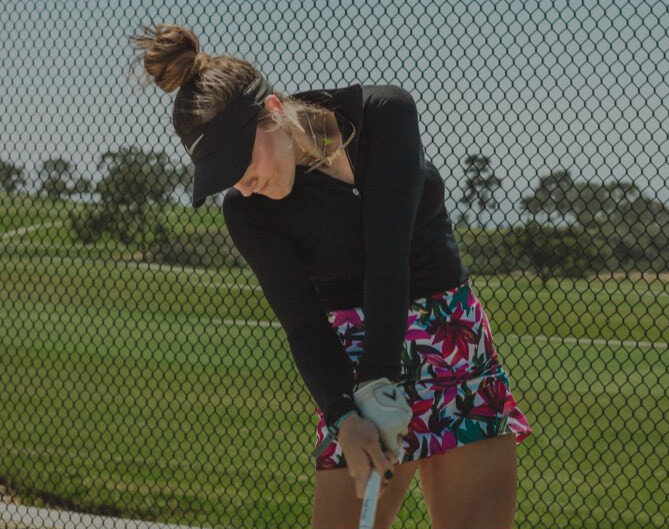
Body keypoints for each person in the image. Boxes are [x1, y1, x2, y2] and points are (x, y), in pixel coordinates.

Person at [129, 23, 533, 529]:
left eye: (243, 162)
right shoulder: (249, 213)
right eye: (227, 177)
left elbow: (390, 254)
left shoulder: (386, 115)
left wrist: (377, 386)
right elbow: (303, 325)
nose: (244, 184)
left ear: (273, 111)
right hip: (353, 362)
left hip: (452, 336)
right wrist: (347, 415)